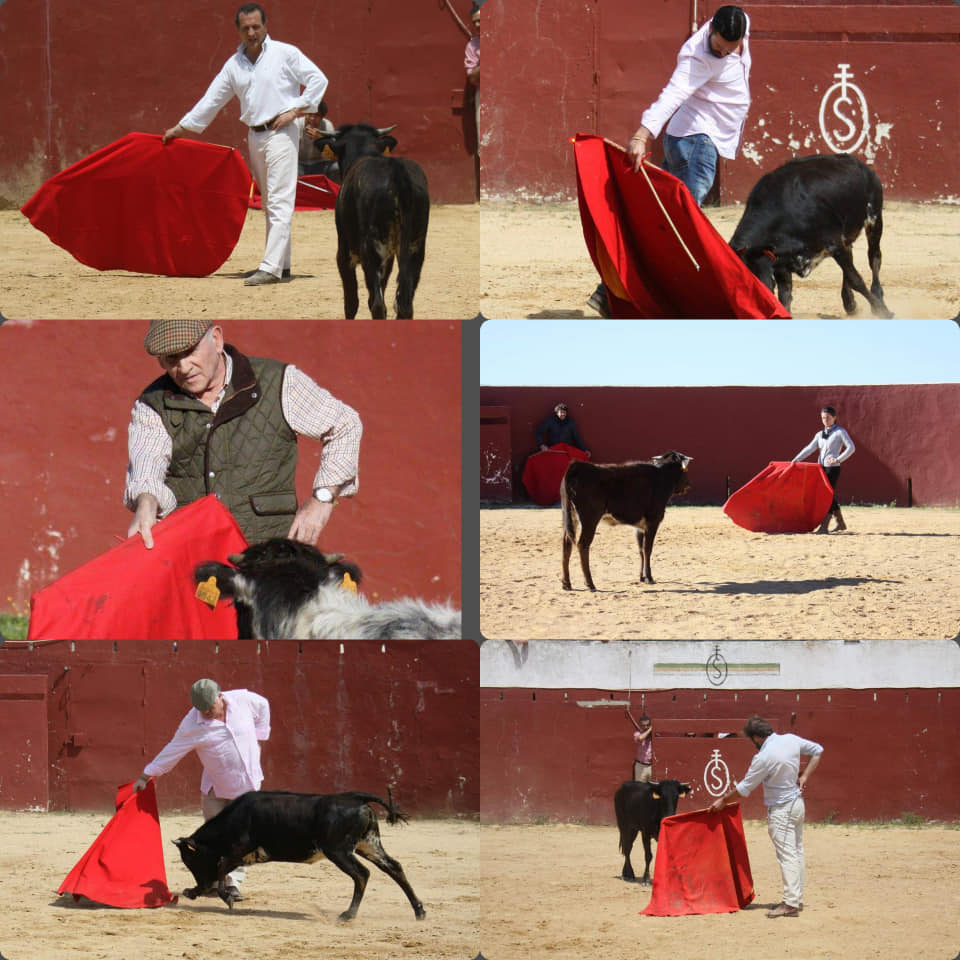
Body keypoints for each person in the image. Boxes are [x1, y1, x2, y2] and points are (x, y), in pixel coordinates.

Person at [125, 319, 362, 549]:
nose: (184, 367)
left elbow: (344, 425)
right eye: (171, 359)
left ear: (216, 340)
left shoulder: (278, 382)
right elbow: (148, 466)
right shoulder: (152, 405)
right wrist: (146, 502)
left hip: (268, 557)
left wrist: (322, 500)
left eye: (189, 352)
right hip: (192, 556)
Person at [587, 5, 751, 317]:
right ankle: (664, 296)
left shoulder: (739, 24)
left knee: (662, 221)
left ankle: (609, 292)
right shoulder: (696, 58)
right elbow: (672, 95)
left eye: (731, 49)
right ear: (710, 31)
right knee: (681, 229)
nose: (722, 53)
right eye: (718, 47)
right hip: (698, 142)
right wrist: (641, 134)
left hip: (688, 141)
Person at [161, 4, 327, 286]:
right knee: (270, 202)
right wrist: (181, 128)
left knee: (279, 200)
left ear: (265, 26)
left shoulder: (285, 53)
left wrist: (296, 110)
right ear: (238, 30)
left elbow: (318, 79)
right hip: (255, 135)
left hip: (281, 131)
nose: (251, 33)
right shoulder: (233, 65)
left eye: (256, 27)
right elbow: (212, 100)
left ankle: (271, 267)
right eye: (246, 28)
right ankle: (281, 264)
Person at [133, 678, 270, 901]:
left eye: (210, 706)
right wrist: (145, 775)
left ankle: (231, 883)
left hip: (248, 788)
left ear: (220, 696)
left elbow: (263, 705)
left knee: (240, 837)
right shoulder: (192, 724)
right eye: (201, 708)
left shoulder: (242, 700)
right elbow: (172, 751)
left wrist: (260, 737)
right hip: (216, 789)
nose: (206, 711)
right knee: (216, 837)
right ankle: (213, 881)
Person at [708, 715, 823, 919]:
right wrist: (805, 776)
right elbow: (817, 750)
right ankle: (796, 898)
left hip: (781, 809)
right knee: (796, 851)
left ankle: (790, 903)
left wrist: (723, 801)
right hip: (797, 805)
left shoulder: (763, 757)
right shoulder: (790, 739)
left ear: (756, 738)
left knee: (787, 854)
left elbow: (744, 789)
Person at [792, 405, 855, 534]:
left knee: (826, 495)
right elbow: (809, 448)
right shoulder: (819, 434)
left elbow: (851, 448)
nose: (825, 420)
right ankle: (840, 523)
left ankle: (824, 526)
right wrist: (796, 459)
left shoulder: (840, 431)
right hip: (820, 468)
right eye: (823, 418)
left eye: (828, 418)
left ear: (834, 417)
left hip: (832, 468)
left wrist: (838, 459)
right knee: (828, 495)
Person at [298, 100, 339, 180]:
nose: (312, 119)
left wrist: (320, 140)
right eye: (310, 114)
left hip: (320, 164)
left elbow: (332, 156)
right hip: (300, 165)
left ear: (322, 117)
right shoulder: (298, 124)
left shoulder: (327, 126)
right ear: (305, 114)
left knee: (336, 167)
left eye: (317, 115)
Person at [626, 709, 654, 782]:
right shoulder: (637, 734)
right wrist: (650, 729)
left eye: (648, 725)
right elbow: (641, 738)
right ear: (640, 726)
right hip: (641, 766)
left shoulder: (655, 735)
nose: (646, 727)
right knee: (640, 788)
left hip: (653, 766)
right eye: (643, 725)